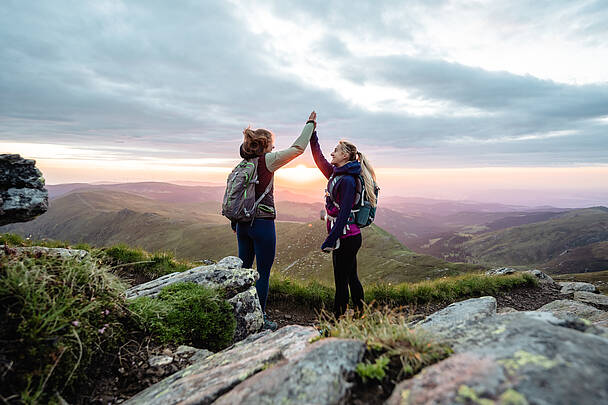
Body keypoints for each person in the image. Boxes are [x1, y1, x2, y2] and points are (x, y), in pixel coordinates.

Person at [233, 111, 317, 330]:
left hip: (242, 224)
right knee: (262, 273)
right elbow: (297, 149)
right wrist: (310, 124)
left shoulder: (244, 164)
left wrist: (237, 223)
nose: (273, 147)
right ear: (266, 145)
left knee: (244, 269)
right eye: (272, 144)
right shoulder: (266, 161)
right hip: (262, 225)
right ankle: (260, 318)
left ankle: (238, 312)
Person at [310, 129, 378, 317]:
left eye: (336, 150)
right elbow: (319, 159)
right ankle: (361, 314)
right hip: (347, 236)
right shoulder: (336, 173)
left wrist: (330, 240)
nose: (332, 153)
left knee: (342, 282)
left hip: (346, 238)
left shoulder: (347, 180)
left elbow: (344, 214)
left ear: (345, 155)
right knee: (350, 278)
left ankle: (336, 323)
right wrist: (312, 132)